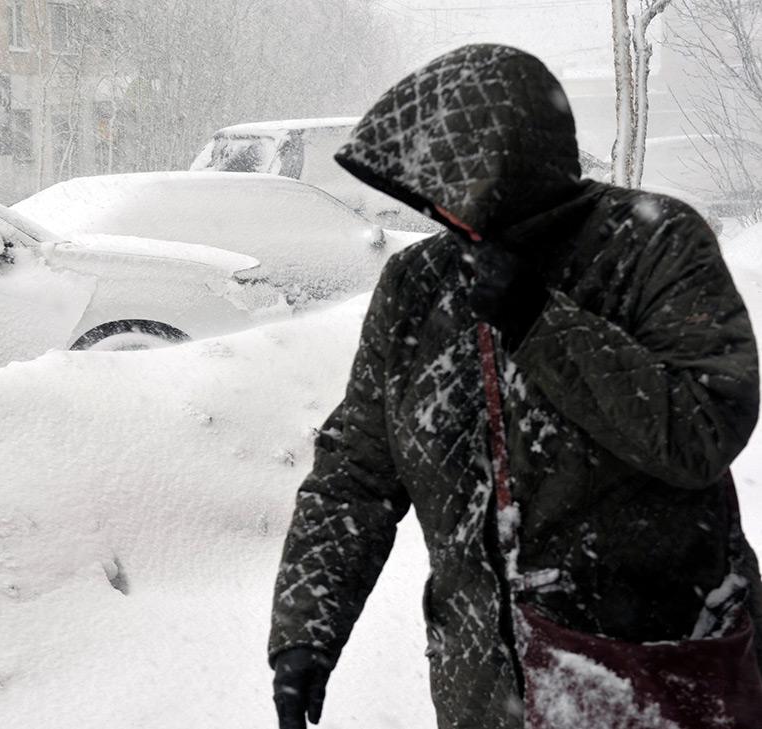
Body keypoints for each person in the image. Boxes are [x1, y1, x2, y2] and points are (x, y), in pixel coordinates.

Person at [268, 44, 762, 728]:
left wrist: (540, 321)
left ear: (518, 168)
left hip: (653, 678)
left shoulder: (652, 243)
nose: (443, 212)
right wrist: (304, 633)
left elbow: (703, 428)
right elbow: (356, 473)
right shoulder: (417, 287)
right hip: (485, 690)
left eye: (460, 184)